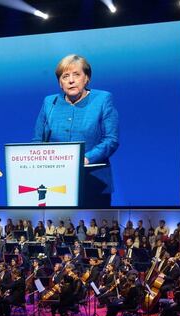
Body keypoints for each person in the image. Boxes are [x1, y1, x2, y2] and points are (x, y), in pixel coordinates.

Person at [32, 54, 119, 207]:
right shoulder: (50, 102)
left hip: (94, 179)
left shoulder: (103, 99)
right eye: (65, 76)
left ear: (87, 78)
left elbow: (111, 140)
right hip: (56, 180)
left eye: (76, 74)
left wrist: (86, 158)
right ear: (60, 83)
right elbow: (38, 140)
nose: (71, 80)